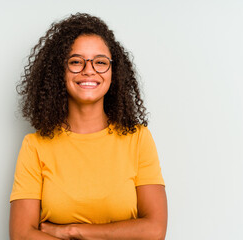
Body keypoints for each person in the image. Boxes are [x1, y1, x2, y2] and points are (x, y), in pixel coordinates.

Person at [9, 13, 167, 240]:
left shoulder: (138, 139)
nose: (89, 70)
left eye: (100, 62)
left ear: (114, 72)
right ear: (59, 72)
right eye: (76, 61)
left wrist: (73, 231)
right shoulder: (35, 146)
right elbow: (21, 235)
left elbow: (155, 231)